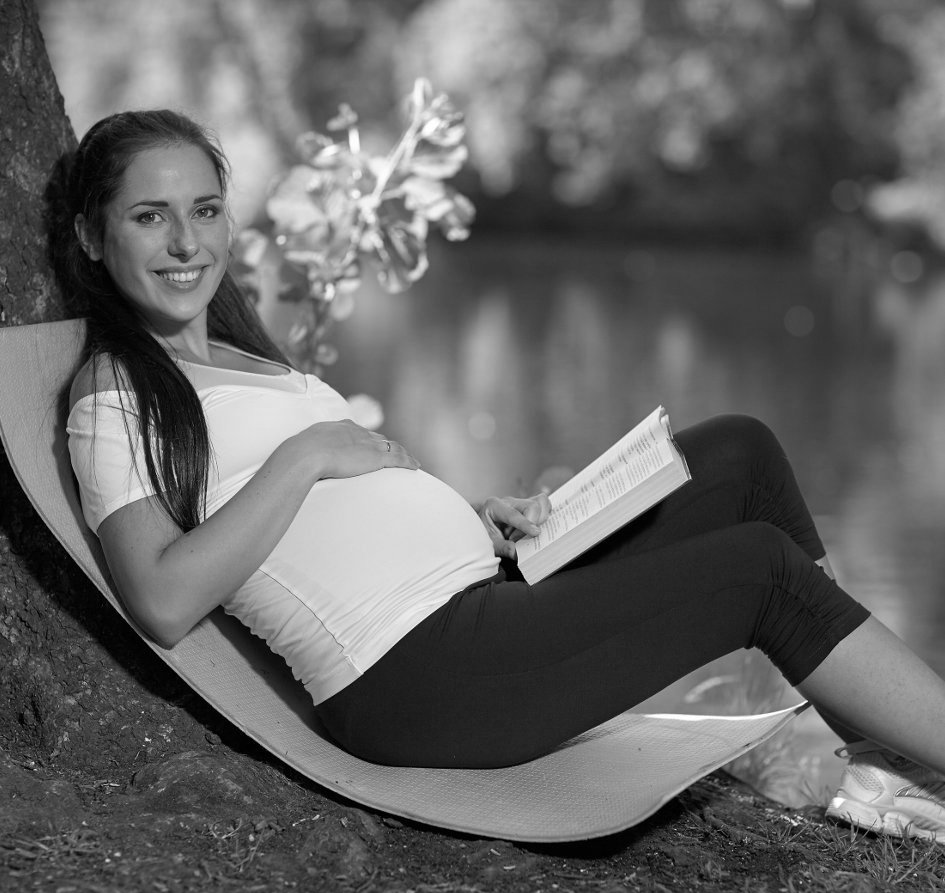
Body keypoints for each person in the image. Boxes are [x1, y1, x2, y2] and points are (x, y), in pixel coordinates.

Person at [55, 109, 945, 844]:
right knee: (757, 570)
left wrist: (471, 521)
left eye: (204, 210)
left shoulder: (251, 360)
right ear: (93, 238)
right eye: (149, 216)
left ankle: (881, 760)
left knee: (737, 454)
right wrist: (307, 456)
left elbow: (340, 529)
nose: (185, 242)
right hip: (420, 677)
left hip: (488, 598)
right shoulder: (114, 391)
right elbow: (162, 598)